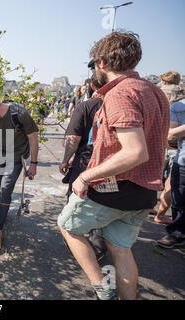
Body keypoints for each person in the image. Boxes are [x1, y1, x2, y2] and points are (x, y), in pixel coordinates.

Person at [57, 31, 169, 300]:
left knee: (67, 225)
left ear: (102, 63)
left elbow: (135, 152)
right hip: (144, 191)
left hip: (115, 188)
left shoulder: (120, 93)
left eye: (95, 62)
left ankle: (103, 290)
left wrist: (85, 177)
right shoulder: (155, 92)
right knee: (120, 249)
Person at [0, 92, 39, 252]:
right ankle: (2, 212)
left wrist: (34, 164)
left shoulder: (19, 113)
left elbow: (33, 138)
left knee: (4, 191)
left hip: (17, 158)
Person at [59, 71, 106, 261]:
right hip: (112, 166)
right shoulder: (124, 104)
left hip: (85, 163)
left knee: (75, 203)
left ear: (92, 87)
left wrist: (65, 160)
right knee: (102, 202)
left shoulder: (86, 106)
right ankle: (98, 241)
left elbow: (73, 138)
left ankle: (79, 244)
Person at [150, 71, 185, 224]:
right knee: (170, 185)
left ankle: (147, 206)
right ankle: (161, 214)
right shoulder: (179, 96)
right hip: (173, 146)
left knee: (150, 178)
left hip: (154, 142)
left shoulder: (154, 92)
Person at [156, 96, 185, 248]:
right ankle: (176, 234)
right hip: (181, 161)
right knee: (178, 200)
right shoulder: (179, 106)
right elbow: (171, 134)